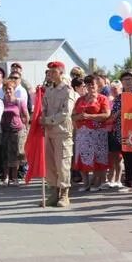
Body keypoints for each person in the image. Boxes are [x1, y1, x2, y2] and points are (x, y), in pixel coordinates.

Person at [41, 61, 77, 207]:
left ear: (61, 73)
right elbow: (43, 107)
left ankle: (64, 194)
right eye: (49, 71)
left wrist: (47, 120)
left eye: (53, 71)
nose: (50, 74)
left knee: (62, 163)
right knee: (50, 164)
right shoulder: (48, 90)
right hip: (49, 132)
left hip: (62, 132)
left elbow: (65, 113)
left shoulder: (68, 91)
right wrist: (40, 118)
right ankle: (53, 192)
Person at [72, 75, 112, 191]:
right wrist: (79, 116)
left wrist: (90, 116)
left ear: (97, 85)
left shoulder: (102, 98)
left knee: (98, 159)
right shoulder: (80, 99)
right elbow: (73, 115)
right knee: (82, 158)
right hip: (82, 134)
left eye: (92, 84)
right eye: (88, 84)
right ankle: (86, 184)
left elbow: (106, 115)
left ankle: (97, 183)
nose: (90, 86)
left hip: (98, 133)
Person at [0, 79, 30, 186]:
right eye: (6, 89)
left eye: (10, 89)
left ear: (13, 90)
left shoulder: (19, 101)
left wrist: (25, 128)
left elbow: (26, 116)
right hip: (5, 131)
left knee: (16, 154)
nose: (8, 91)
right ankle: (6, 177)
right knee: (6, 154)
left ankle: (15, 177)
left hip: (17, 130)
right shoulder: (1, 102)